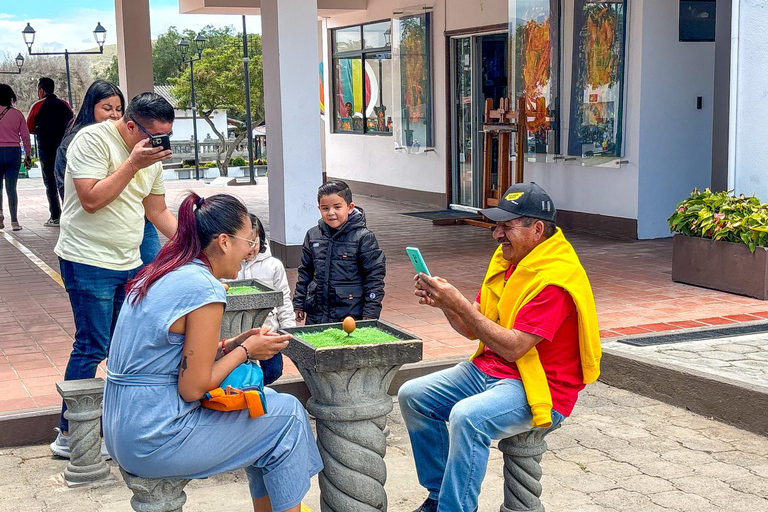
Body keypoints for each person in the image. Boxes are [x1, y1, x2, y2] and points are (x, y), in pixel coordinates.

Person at [103, 192, 322, 512]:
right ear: (223, 241)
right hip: (155, 433)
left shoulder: (164, 271)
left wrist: (229, 345)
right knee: (287, 416)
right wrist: (246, 350)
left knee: (267, 408)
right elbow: (193, 387)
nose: (251, 250)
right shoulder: (204, 288)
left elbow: (163, 353)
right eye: (248, 241)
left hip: (123, 424)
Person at [398, 182, 601, 512]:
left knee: (467, 417)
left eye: (506, 226)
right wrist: (445, 304)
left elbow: (515, 348)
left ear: (537, 229)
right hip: (489, 370)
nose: (496, 235)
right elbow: (471, 329)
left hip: (541, 387)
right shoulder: (509, 260)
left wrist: (459, 304)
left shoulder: (556, 278)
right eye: (495, 226)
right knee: (413, 395)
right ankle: (438, 497)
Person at [50, 92, 177, 457]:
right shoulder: (92, 140)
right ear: (131, 124)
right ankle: (69, 432)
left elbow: (157, 211)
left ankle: (115, 427)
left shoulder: (148, 154)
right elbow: (90, 199)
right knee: (93, 344)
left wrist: (196, 243)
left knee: (125, 346)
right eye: (152, 136)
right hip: (87, 259)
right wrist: (132, 165)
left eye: (164, 137)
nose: (158, 145)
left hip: (128, 260)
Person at [54, 80, 162, 265]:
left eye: (119, 109)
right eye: (107, 108)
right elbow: (81, 198)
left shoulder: (136, 142)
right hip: (94, 245)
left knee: (151, 280)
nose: (114, 114)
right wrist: (132, 165)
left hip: (135, 227)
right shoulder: (81, 141)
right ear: (91, 107)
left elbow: (157, 209)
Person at [293, 179, 386, 325]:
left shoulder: (364, 237)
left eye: (337, 207)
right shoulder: (313, 235)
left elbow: (374, 277)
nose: (331, 213)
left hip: (350, 316)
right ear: (319, 208)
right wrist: (299, 302)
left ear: (350, 207)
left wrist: (370, 312)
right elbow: (305, 271)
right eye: (325, 208)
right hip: (317, 315)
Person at [231, 213, 295, 385]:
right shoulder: (229, 266)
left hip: (268, 332)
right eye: (246, 242)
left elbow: (284, 298)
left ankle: (260, 388)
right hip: (238, 335)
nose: (250, 248)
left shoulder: (273, 265)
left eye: (254, 241)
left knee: (274, 370)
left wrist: (289, 327)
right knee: (241, 372)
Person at [26, 77, 73, 227]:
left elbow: (30, 127)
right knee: (67, 181)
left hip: (46, 149)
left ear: (41, 90)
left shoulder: (37, 106)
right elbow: (73, 123)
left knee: (50, 183)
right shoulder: (64, 105)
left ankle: (55, 216)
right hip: (65, 148)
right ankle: (70, 214)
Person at [0, 84, 31, 231]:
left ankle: (0, 218)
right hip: (14, 152)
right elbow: (25, 137)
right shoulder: (17, 114)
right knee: (11, 188)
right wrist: (28, 155)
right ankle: (14, 221)